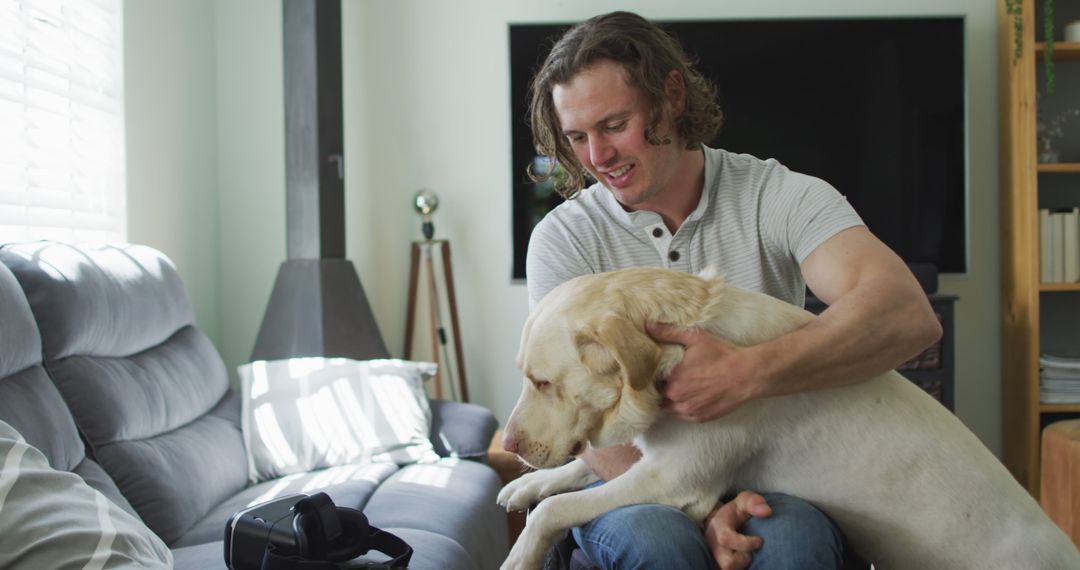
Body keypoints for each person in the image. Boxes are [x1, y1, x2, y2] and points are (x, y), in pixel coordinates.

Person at [522, 10, 943, 570]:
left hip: (774, 468)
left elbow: (905, 314)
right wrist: (703, 510)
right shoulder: (563, 239)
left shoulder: (779, 196)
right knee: (659, 541)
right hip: (633, 474)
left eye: (615, 125)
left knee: (792, 544)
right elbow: (590, 421)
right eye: (578, 137)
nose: (597, 157)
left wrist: (747, 372)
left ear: (670, 96)